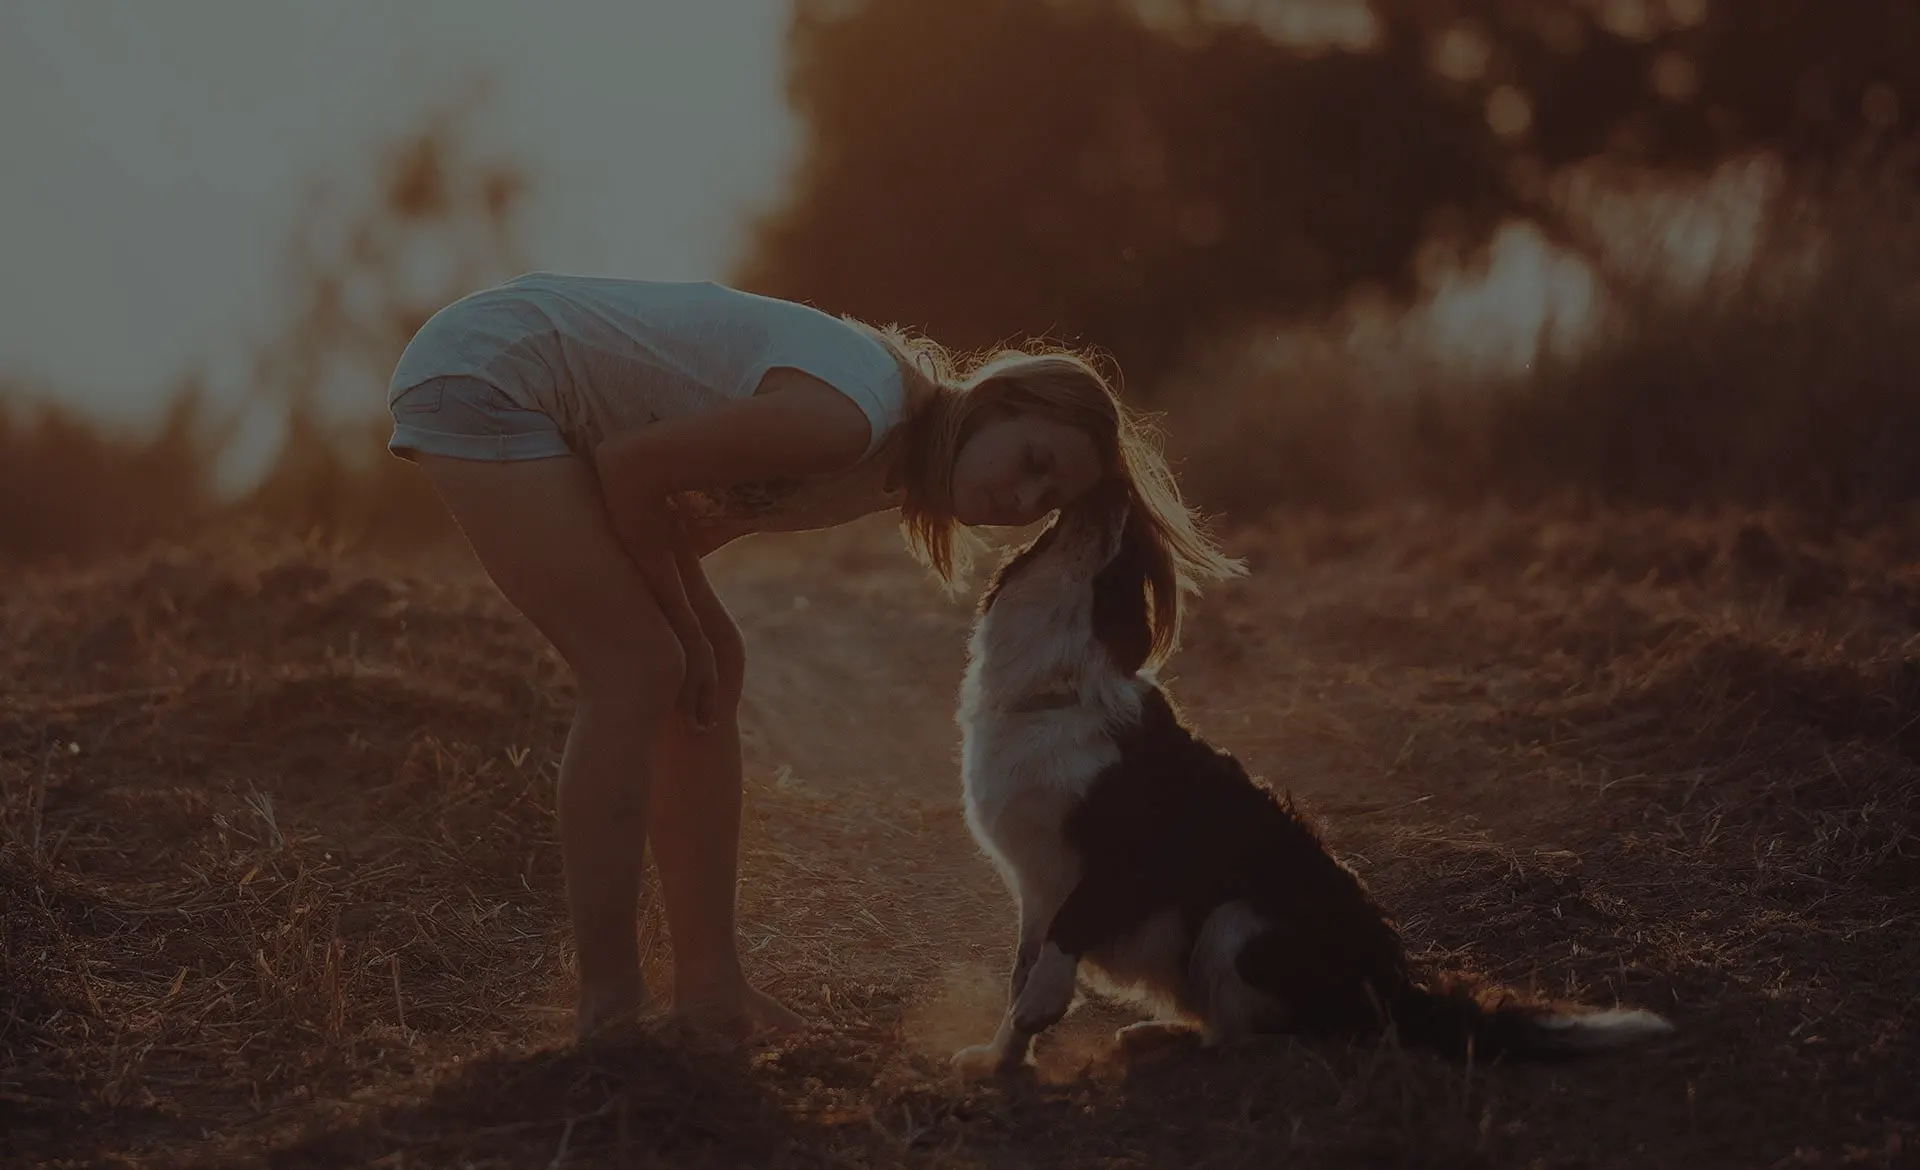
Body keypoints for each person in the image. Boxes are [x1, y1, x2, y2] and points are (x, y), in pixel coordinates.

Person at [384, 271, 1242, 1043]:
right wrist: (689, 628)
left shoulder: (877, 465)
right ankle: (609, 1013)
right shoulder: (852, 418)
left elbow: (675, 524)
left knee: (699, 679)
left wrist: (702, 633)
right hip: (491, 375)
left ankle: (711, 989)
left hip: (533, 396)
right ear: (998, 400)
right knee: (640, 667)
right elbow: (629, 467)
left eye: (1044, 500)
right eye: (1032, 461)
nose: (1019, 498)